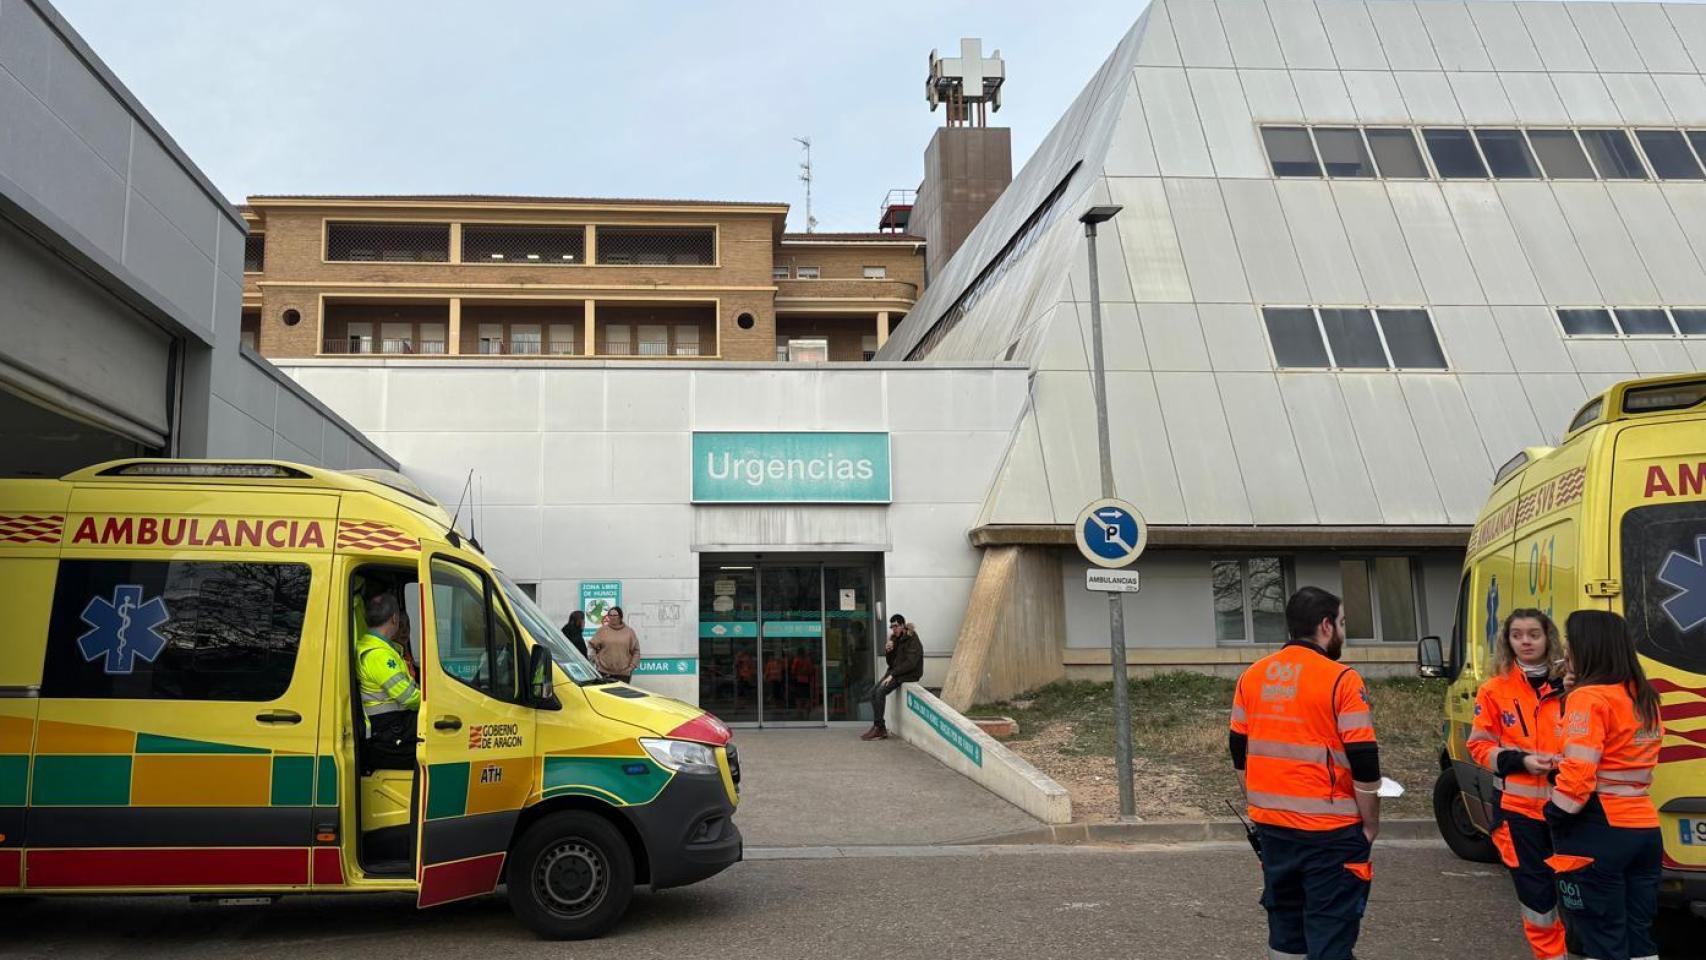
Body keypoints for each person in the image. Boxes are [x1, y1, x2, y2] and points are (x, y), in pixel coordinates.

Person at [1229, 587, 1379, 960]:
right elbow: (1364, 760)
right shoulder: (1342, 679)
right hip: (1331, 833)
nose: (1343, 631)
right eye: (1342, 623)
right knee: (1330, 932)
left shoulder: (1252, 676)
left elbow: (1238, 752)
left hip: (1274, 831)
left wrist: (1260, 807)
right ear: (1326, 626)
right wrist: (1370, 823)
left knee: (1285, 934)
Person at [1544, 610, 1663, 960]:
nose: (1566, 654)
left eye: (1570, 645)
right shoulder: (1644, 695)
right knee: (1638, 933)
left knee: (1599, 935)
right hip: (1644, 826)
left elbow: (1578, 772)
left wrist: (1555, 814)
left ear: (1589, 648)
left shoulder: (1590, 698)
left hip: (1598, 826)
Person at [1467, 609, 1568, 960]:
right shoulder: (1495, 689)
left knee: (1576, 896)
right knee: (1537, 901)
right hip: (1518, 812)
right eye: (1517, 635)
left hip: (1570, 809)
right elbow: (1478, 745)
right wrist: (1521, 762)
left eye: (1534, 634)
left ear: (1548, 638)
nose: (1525, 641)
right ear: (1507, 641)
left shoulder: (1571, 687)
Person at [356, 591, 420, 771]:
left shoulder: (373, 647)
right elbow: (408, 697)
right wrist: (433, 703)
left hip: (390, 727)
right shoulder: (379, 654)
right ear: (394, 619)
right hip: (389, 730)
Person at [860, 615, 922, 741]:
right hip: (895, 672)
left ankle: (878, 728)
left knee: (880, 692)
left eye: (896, 626)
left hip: (908, 674)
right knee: (873, 693)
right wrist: (888, 651)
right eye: (892, 626)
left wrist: (893, 674)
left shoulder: (912, 639)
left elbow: (911, 663)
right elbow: (891, 662)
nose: (894, 629)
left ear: (903, 625)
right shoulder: (894, 638)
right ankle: (880, 727)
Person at [588, 605, 640, 683]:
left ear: (620, 617)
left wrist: (631, 667)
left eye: (615, 615)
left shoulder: (629, 632)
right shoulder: (602, 630)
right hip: (604, 672)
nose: (612, 617)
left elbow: (636, 651)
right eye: (610, 615)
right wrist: (596, 661)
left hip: (623, 674)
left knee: (621, 695)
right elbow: (591, 646)